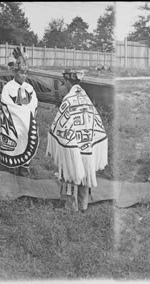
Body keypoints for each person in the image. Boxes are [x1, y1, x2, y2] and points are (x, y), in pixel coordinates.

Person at [46, 69, 108, 212]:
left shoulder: (69, 100)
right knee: (86, 169)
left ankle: (70, 206)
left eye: (64, 82)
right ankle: (83, 204)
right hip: (87, 142)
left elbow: (60, 124)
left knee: (69, 166)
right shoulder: (85, 98)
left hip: (74, 142)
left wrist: (58, 136)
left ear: (68, 82)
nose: (63, 86)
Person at [0, 46, 39, 177]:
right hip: (13, 122)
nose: (24, 76)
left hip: (27, 122)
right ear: (15, 72)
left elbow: (34, 104)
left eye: (26, 73)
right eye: (21, 73)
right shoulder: (8, 87)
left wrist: (26, 112)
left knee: (27, 139)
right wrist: (20, 113)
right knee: (13, 139)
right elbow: (7, 104)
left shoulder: (29, 87)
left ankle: (24, 166)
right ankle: (12, 167)